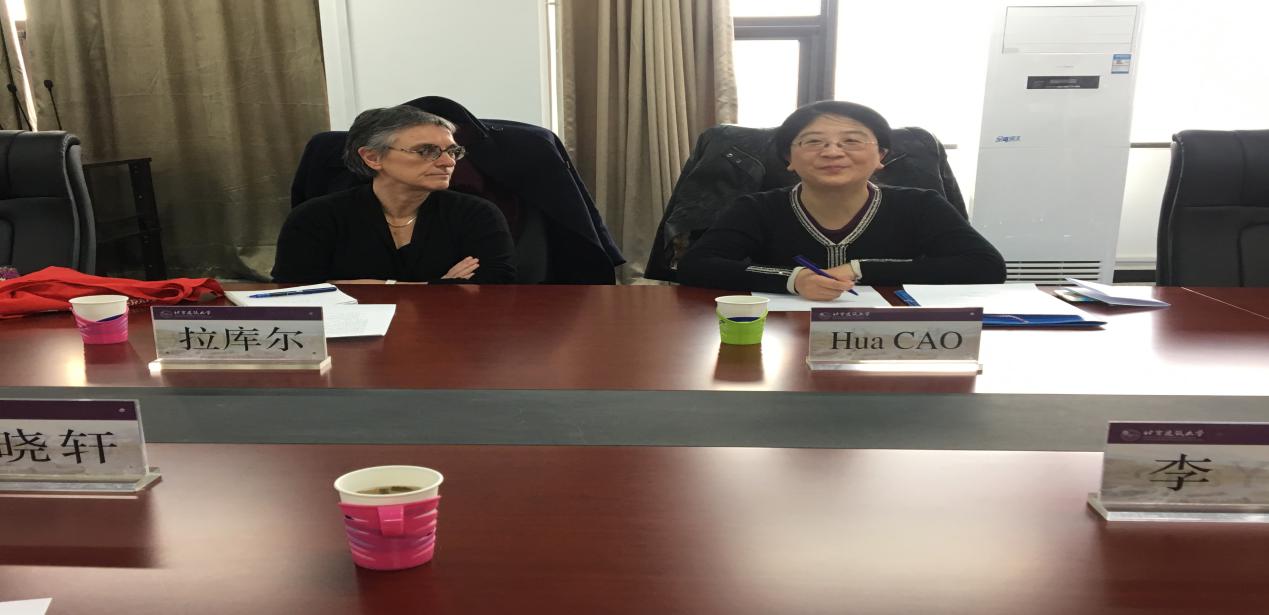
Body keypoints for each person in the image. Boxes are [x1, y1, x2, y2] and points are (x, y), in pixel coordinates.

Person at [677, 101, 1006, 300]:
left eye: (852, 141)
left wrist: (860, 269)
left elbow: (985, 266)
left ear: (881, 156)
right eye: (813, 142)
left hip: (893, 338)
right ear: (789, 158)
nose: (833, 152)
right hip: (782, 338)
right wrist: (793, 279)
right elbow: (697, 265)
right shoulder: (757, 208)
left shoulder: (921, 205)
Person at [272, 105, 516, 284]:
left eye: (452, 151)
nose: (448, 162)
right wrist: (437, 286)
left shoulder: (477, 214)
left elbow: (496, 285)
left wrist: (365, 286)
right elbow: (294, 291)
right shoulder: (315, 217)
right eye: (426, 151)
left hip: (448, 331)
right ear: (373, 157)